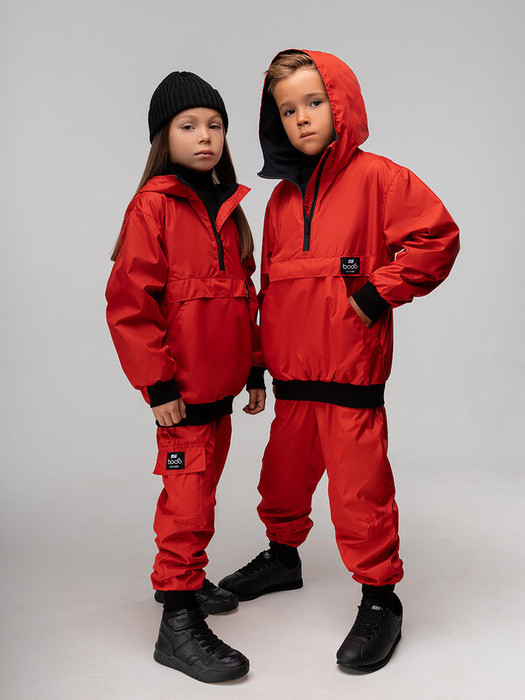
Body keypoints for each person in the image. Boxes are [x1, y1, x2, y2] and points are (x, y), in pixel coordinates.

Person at [219, 50, 460, 673]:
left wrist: (377, 292)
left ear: (341, 104)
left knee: (360, 493)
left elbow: (438, 237)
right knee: (280, 479)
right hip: (291, 378)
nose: (301, 118)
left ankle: (381, 598)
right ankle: (282, 557)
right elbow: (265, 290)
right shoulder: (278, 202)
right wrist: (256, 362)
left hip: (350, 376)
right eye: (287, 109)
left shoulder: (379, 180)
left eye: (314, 102)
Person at [105, 71, 265, 683]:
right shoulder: (153, 207)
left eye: (215, 125)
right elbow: (129, 303)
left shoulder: (227, 209)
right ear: (163, 138)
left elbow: (245, 299)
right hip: (182, 397)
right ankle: (177, 620)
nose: (205, 137)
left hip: (221, 395)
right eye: (188, 125)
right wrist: (159, 386)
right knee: (187, 504)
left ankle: (187, 583)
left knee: (202, 495)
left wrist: (255, 370)